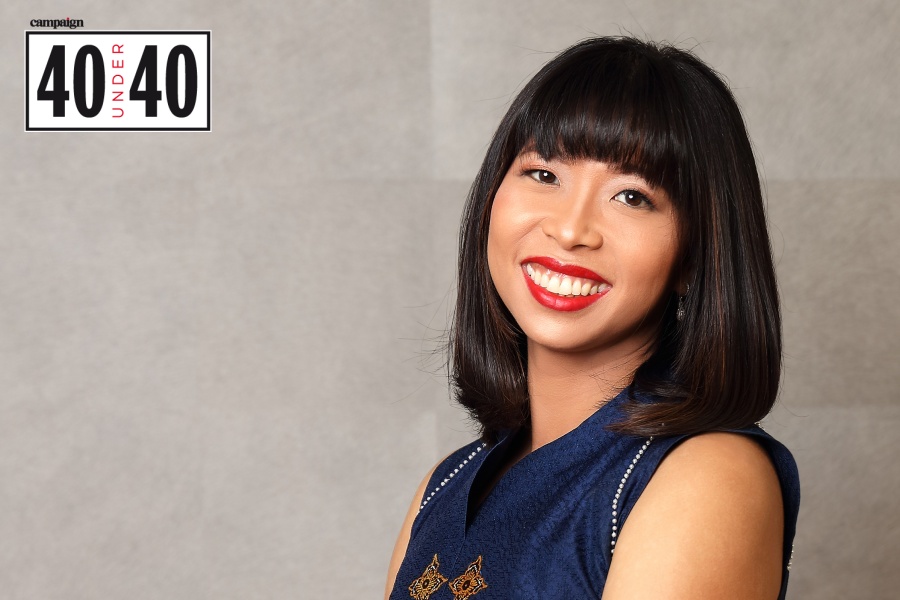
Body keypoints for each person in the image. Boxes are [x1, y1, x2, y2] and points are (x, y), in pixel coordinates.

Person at [385, 36, 800, 599]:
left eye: (632, 197)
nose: (570, 229)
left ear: (695, 255)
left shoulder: (708, 474)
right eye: (544, 175)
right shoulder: (443, 486)